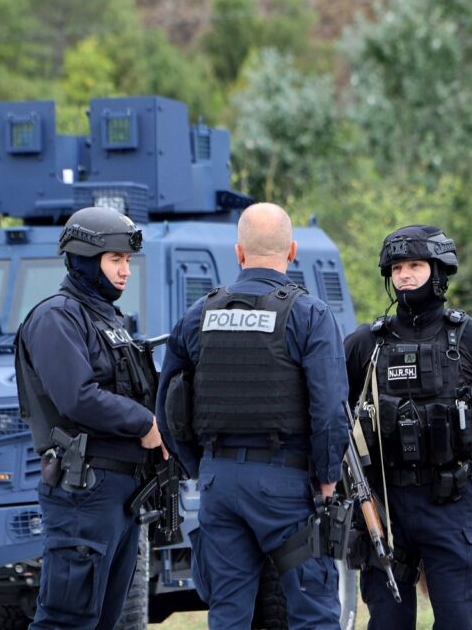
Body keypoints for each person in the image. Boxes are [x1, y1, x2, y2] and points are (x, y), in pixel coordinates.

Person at [344, 224, 472, 630]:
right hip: (384, 506)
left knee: (459, 619)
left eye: (416, 265)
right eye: (398, 268)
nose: (405, 275)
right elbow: (329, 402)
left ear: (438, 272)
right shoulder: (365, 344)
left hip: (449, 503)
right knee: (387, 622)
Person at [155, 202, 348, 630]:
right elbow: (330, 408)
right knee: (313, 613)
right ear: (292, 251)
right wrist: (329, 476)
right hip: (287, 485)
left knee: (227, 613)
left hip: (218, 484)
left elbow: (167, 406)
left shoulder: (197, 315)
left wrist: (199, 466)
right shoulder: (310, 315)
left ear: (238, 253)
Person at [14, 206, 164, 629]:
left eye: (128, 261)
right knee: (67, 620)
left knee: (105, 621)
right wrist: (145, 424)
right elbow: (77, 398)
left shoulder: (110, 320)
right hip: (84, 490)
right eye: (115, 260)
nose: (125, 272)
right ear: (84, 259)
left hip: (120, 492)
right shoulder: (56, 317)